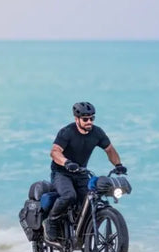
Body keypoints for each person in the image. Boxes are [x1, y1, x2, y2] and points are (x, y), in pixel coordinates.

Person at [44, 101, 127, 242]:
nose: (89, 121)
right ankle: (51, 221)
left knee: (90, 201)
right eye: (85, 119)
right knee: (69, 195)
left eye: (92, 118)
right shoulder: (67, 132)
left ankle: (84, 237)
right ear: (77, 119)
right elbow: (54, 152)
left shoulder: (97, 133)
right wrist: (67, 162)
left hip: (81, 174)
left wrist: (118, 164)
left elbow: (110, 150)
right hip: (61, 173)